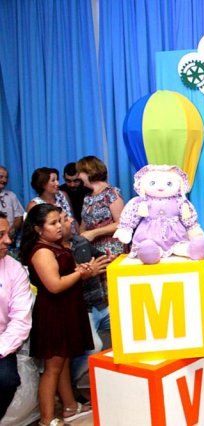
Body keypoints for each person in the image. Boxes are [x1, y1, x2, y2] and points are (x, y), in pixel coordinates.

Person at [19, 204, 107, 426]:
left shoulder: (55, 245)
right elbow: (55, 285)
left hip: (66, 309)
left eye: (59, 221)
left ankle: (69, 406)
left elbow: (68, 274)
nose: (59, 226)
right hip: (53, 314)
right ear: (38, 229)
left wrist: (85, 271)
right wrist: (82, 273)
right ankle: (47, 419)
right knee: (52, 369)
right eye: (53, 223)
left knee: (64, 362)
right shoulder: (42, 251)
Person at [75, 156, 126, 343]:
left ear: (89, 172)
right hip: (92, 250)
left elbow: (121, 223)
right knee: (101, 295)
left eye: (80, 172)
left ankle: (122, 335)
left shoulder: (111, 193)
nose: (78, 176)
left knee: (114, 293)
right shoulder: (88, 197)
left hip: (111, 248)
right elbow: (83, 225)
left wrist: (94, 233)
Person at [60, 211, 113, 389]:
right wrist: (85, 274)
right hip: (82, 309)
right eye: (64, 219)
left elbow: (100, 259)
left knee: (126, 328)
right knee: (94, 347)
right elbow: (60, 284)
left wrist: (109, 260)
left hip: (100, 303)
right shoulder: (53, 253)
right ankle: (74, 385)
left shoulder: (80, 242)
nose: (71, 220)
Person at [0, 212, 32, 421]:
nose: (8, 241)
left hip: (3, 343)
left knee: (7, 380)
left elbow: (21, 320)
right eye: (1, 235)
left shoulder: (14, 269)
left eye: (9, 234)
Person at [0, 166, 25, 245]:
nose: (4, 180)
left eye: (6, 177)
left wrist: (13, 230)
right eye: (1, 177)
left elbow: (19, 216)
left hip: (10, 239)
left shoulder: (11, 195)